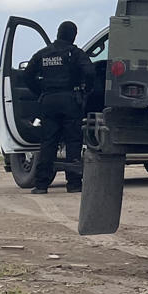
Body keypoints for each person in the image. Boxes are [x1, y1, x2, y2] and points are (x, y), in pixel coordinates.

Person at [25, 20, 92, 194]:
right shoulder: (75, 53)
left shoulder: (43, 54)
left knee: (48, 142)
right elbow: (90, 72)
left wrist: (40, 91)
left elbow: (27, 75)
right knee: (73, 141)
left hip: (49, 101)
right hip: (70, 100)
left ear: (58, 33)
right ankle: (74, 183)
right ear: (73, 36)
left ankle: (41, 185)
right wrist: (86, 91)